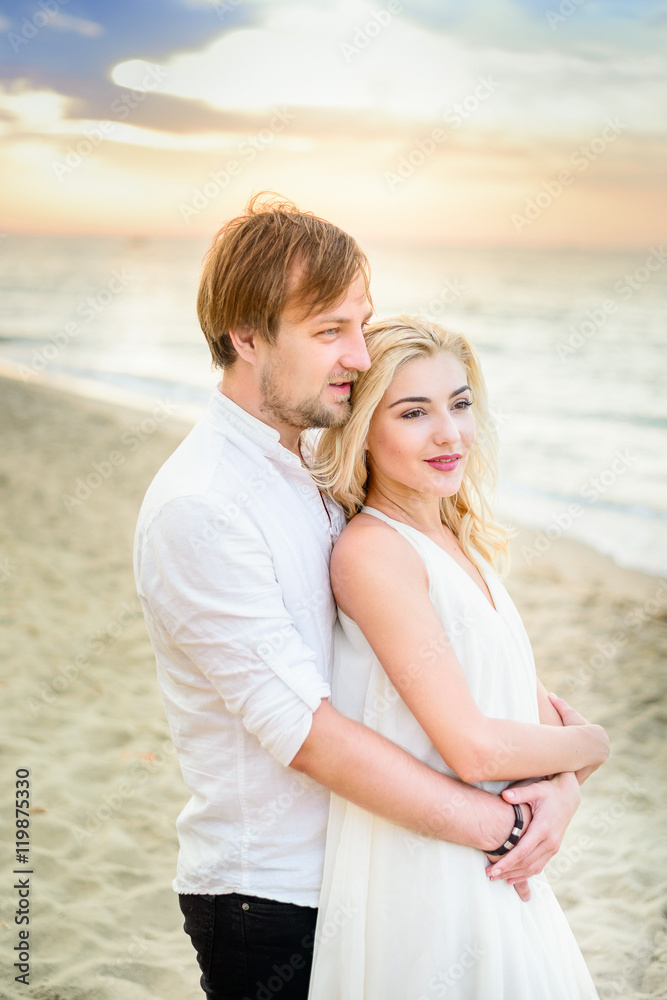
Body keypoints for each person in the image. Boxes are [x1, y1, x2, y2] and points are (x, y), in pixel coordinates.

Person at [134, 196, 595, 1000]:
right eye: (327, 331)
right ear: (246, 337)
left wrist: (559, 785)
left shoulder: (316, 473)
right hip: (275, 896)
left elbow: (454, 674)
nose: (356, 354)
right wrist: (507, 825)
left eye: (360, 323)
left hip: (384, 870)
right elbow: (310, 736)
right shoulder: (201, 506)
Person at [308, 315, 608, 999]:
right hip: (428, 881)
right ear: (362, 428)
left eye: (460, 403)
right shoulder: (373, 552)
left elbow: (537, 726)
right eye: (414, 412)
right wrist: (596, 742)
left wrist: (562, 788)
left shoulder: (458, 541)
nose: (450, 434)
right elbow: (477, 749)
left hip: (502, 872)